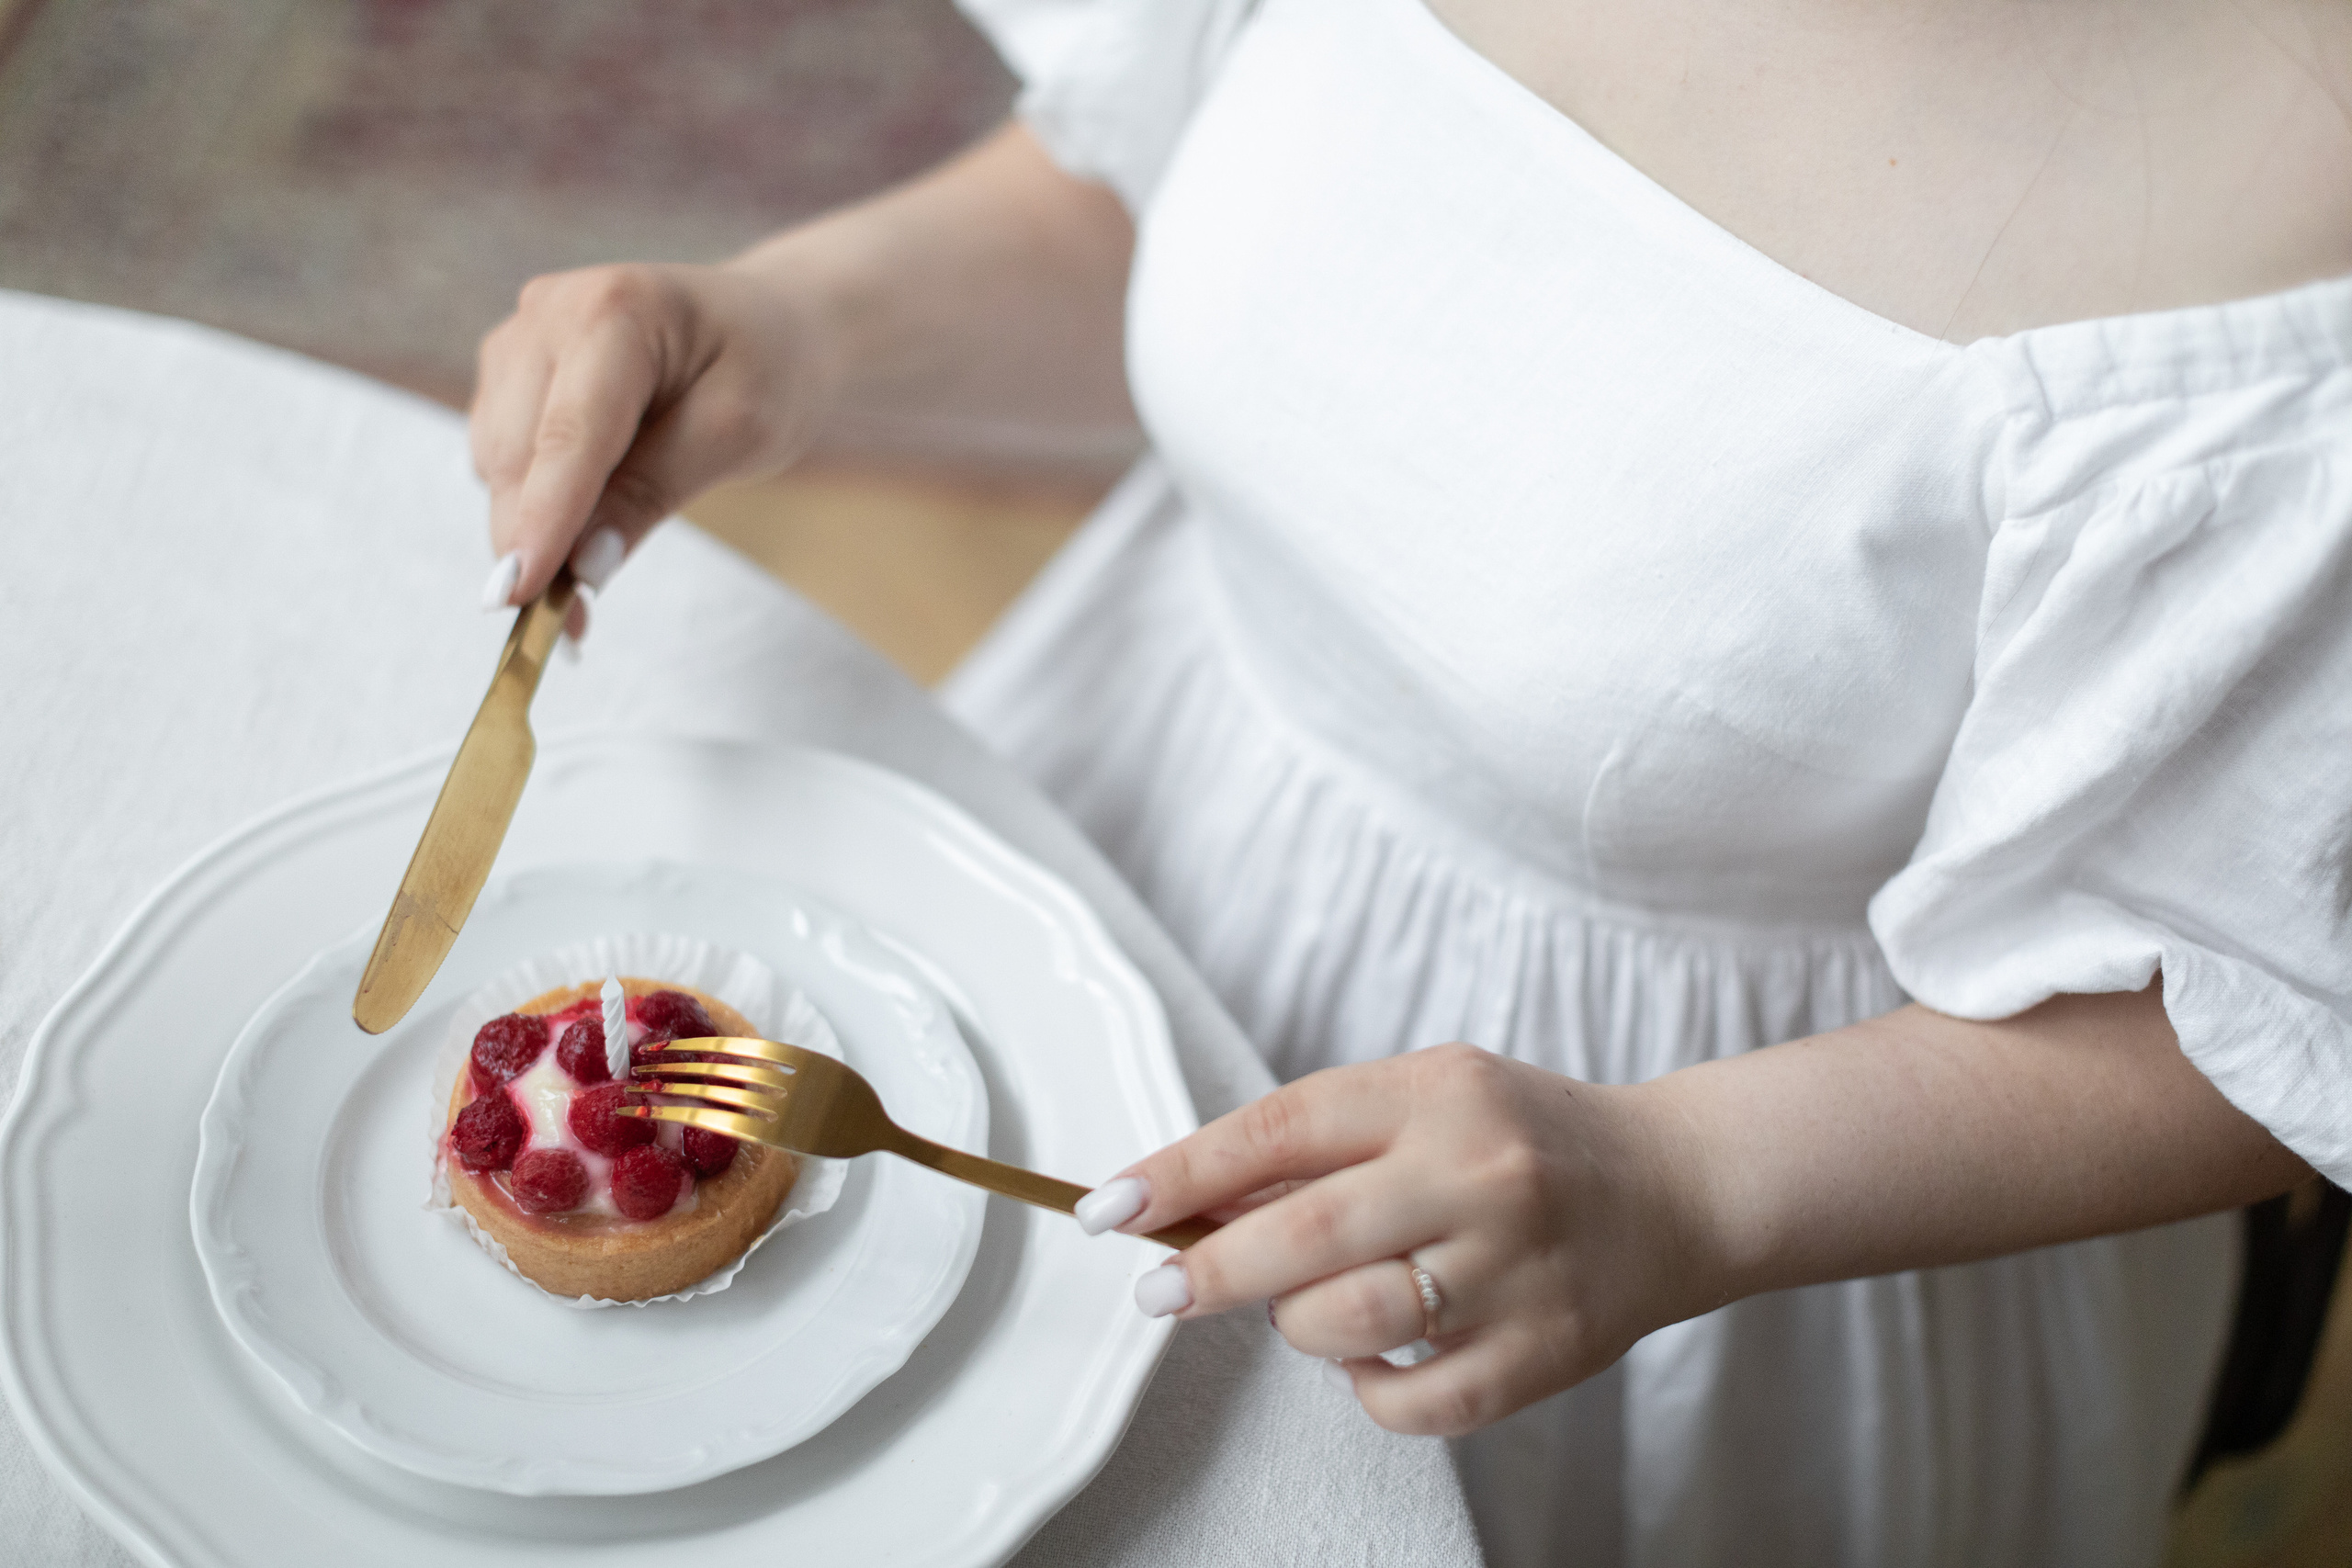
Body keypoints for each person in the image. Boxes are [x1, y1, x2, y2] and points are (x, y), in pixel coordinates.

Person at [464, 0, 2352, 1562]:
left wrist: (1680, 1183)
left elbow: (2261, 1002)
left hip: (1683, 1232)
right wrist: (789, 329)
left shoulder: (2293, 191)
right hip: (1107, 816)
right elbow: (1201, 221)